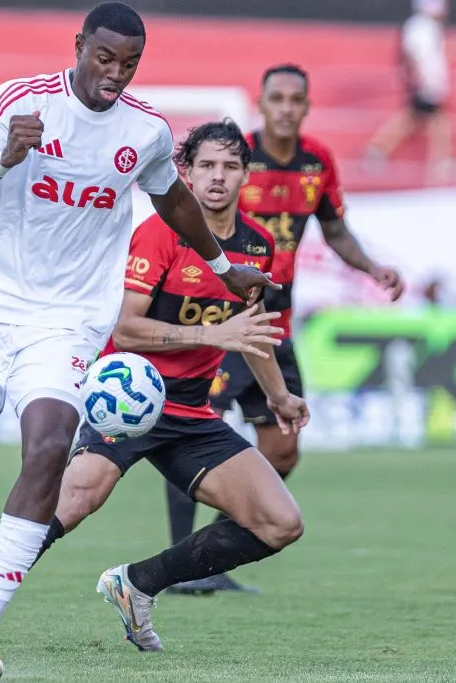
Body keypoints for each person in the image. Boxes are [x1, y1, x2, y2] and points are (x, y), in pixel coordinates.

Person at [0, 3, 277, 679]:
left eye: (129, 64)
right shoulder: (20, 104)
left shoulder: (146, 130)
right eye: (104, 59)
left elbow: (172, 197)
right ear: (79, 47)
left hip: (65, 321)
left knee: (45, 451)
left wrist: (221, 265)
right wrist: (8, 158)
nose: (114, 75)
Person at [0, 118, 308, 657]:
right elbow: (126, 329)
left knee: (280, 522)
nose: (217, 177)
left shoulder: (258, 244)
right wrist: (210, 333)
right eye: (206, 167)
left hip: (192, 414)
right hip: (126, 404)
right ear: (186, 174)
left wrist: (277, 395)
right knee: (72, 501)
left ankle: (138, 583)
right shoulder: (158, 232)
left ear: (246, 174)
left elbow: (253, 332)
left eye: (229, 166)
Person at [163, 63, 406, 595]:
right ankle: (181, 569)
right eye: (277, 98)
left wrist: (371, 268)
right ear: (263, 102)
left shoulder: (317, 162)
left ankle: (208, 555)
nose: (287, 108)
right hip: (224, 321)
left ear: (306, 106)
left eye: (297, 99)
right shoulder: (234, 161)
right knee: (193, 434)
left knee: (284, 451)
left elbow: (335, 229)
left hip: (278, 324)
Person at [364, 0, 456, 184]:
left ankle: (378, 150)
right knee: (429, 119)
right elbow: (413, 54)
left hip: (431, 82)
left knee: (421, 119)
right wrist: (419, 79)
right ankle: (442, 160)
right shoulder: (419, 27)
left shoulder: (429, 27)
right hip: (426, 83)